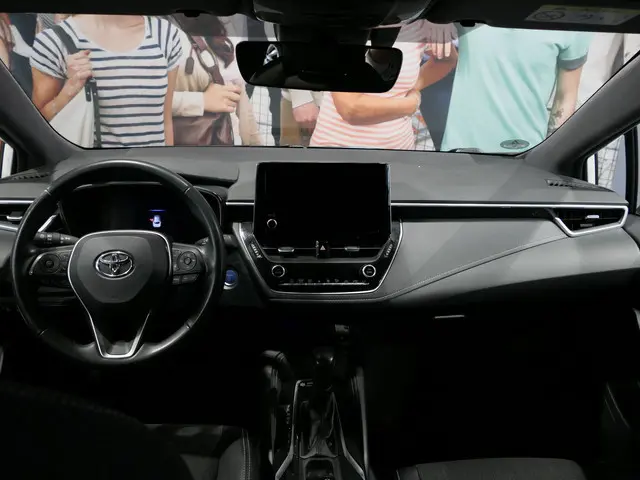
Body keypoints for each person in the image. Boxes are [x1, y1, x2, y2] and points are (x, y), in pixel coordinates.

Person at [30, 15, 181, 147]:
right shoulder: (54, 41)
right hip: (90, 168)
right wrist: (68, 92)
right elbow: (35, 126)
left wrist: (168, 165)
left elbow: (165, 121)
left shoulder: (165, 34)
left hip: (153, 168)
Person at [441, 25, 593, 153]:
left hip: (527, 152)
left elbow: (566, 96)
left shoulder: (572, 23)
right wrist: (435, 22)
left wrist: (551, 152)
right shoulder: (469, 7)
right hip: (460, 149)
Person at [310, 20, 457, 150]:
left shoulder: (419, 23)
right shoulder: (351, 20)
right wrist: (410, 104)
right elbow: (351, 109)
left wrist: (411, 87)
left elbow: (446, 60)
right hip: (339, 149)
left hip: (400, 148)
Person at [172, 16, 262, 145]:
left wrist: (254, 145)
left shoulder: (220, 24)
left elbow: (241, 99)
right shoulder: (158, 29)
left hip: (227, 143)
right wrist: (201, 101)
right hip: (180, 147)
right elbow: (145, 101)